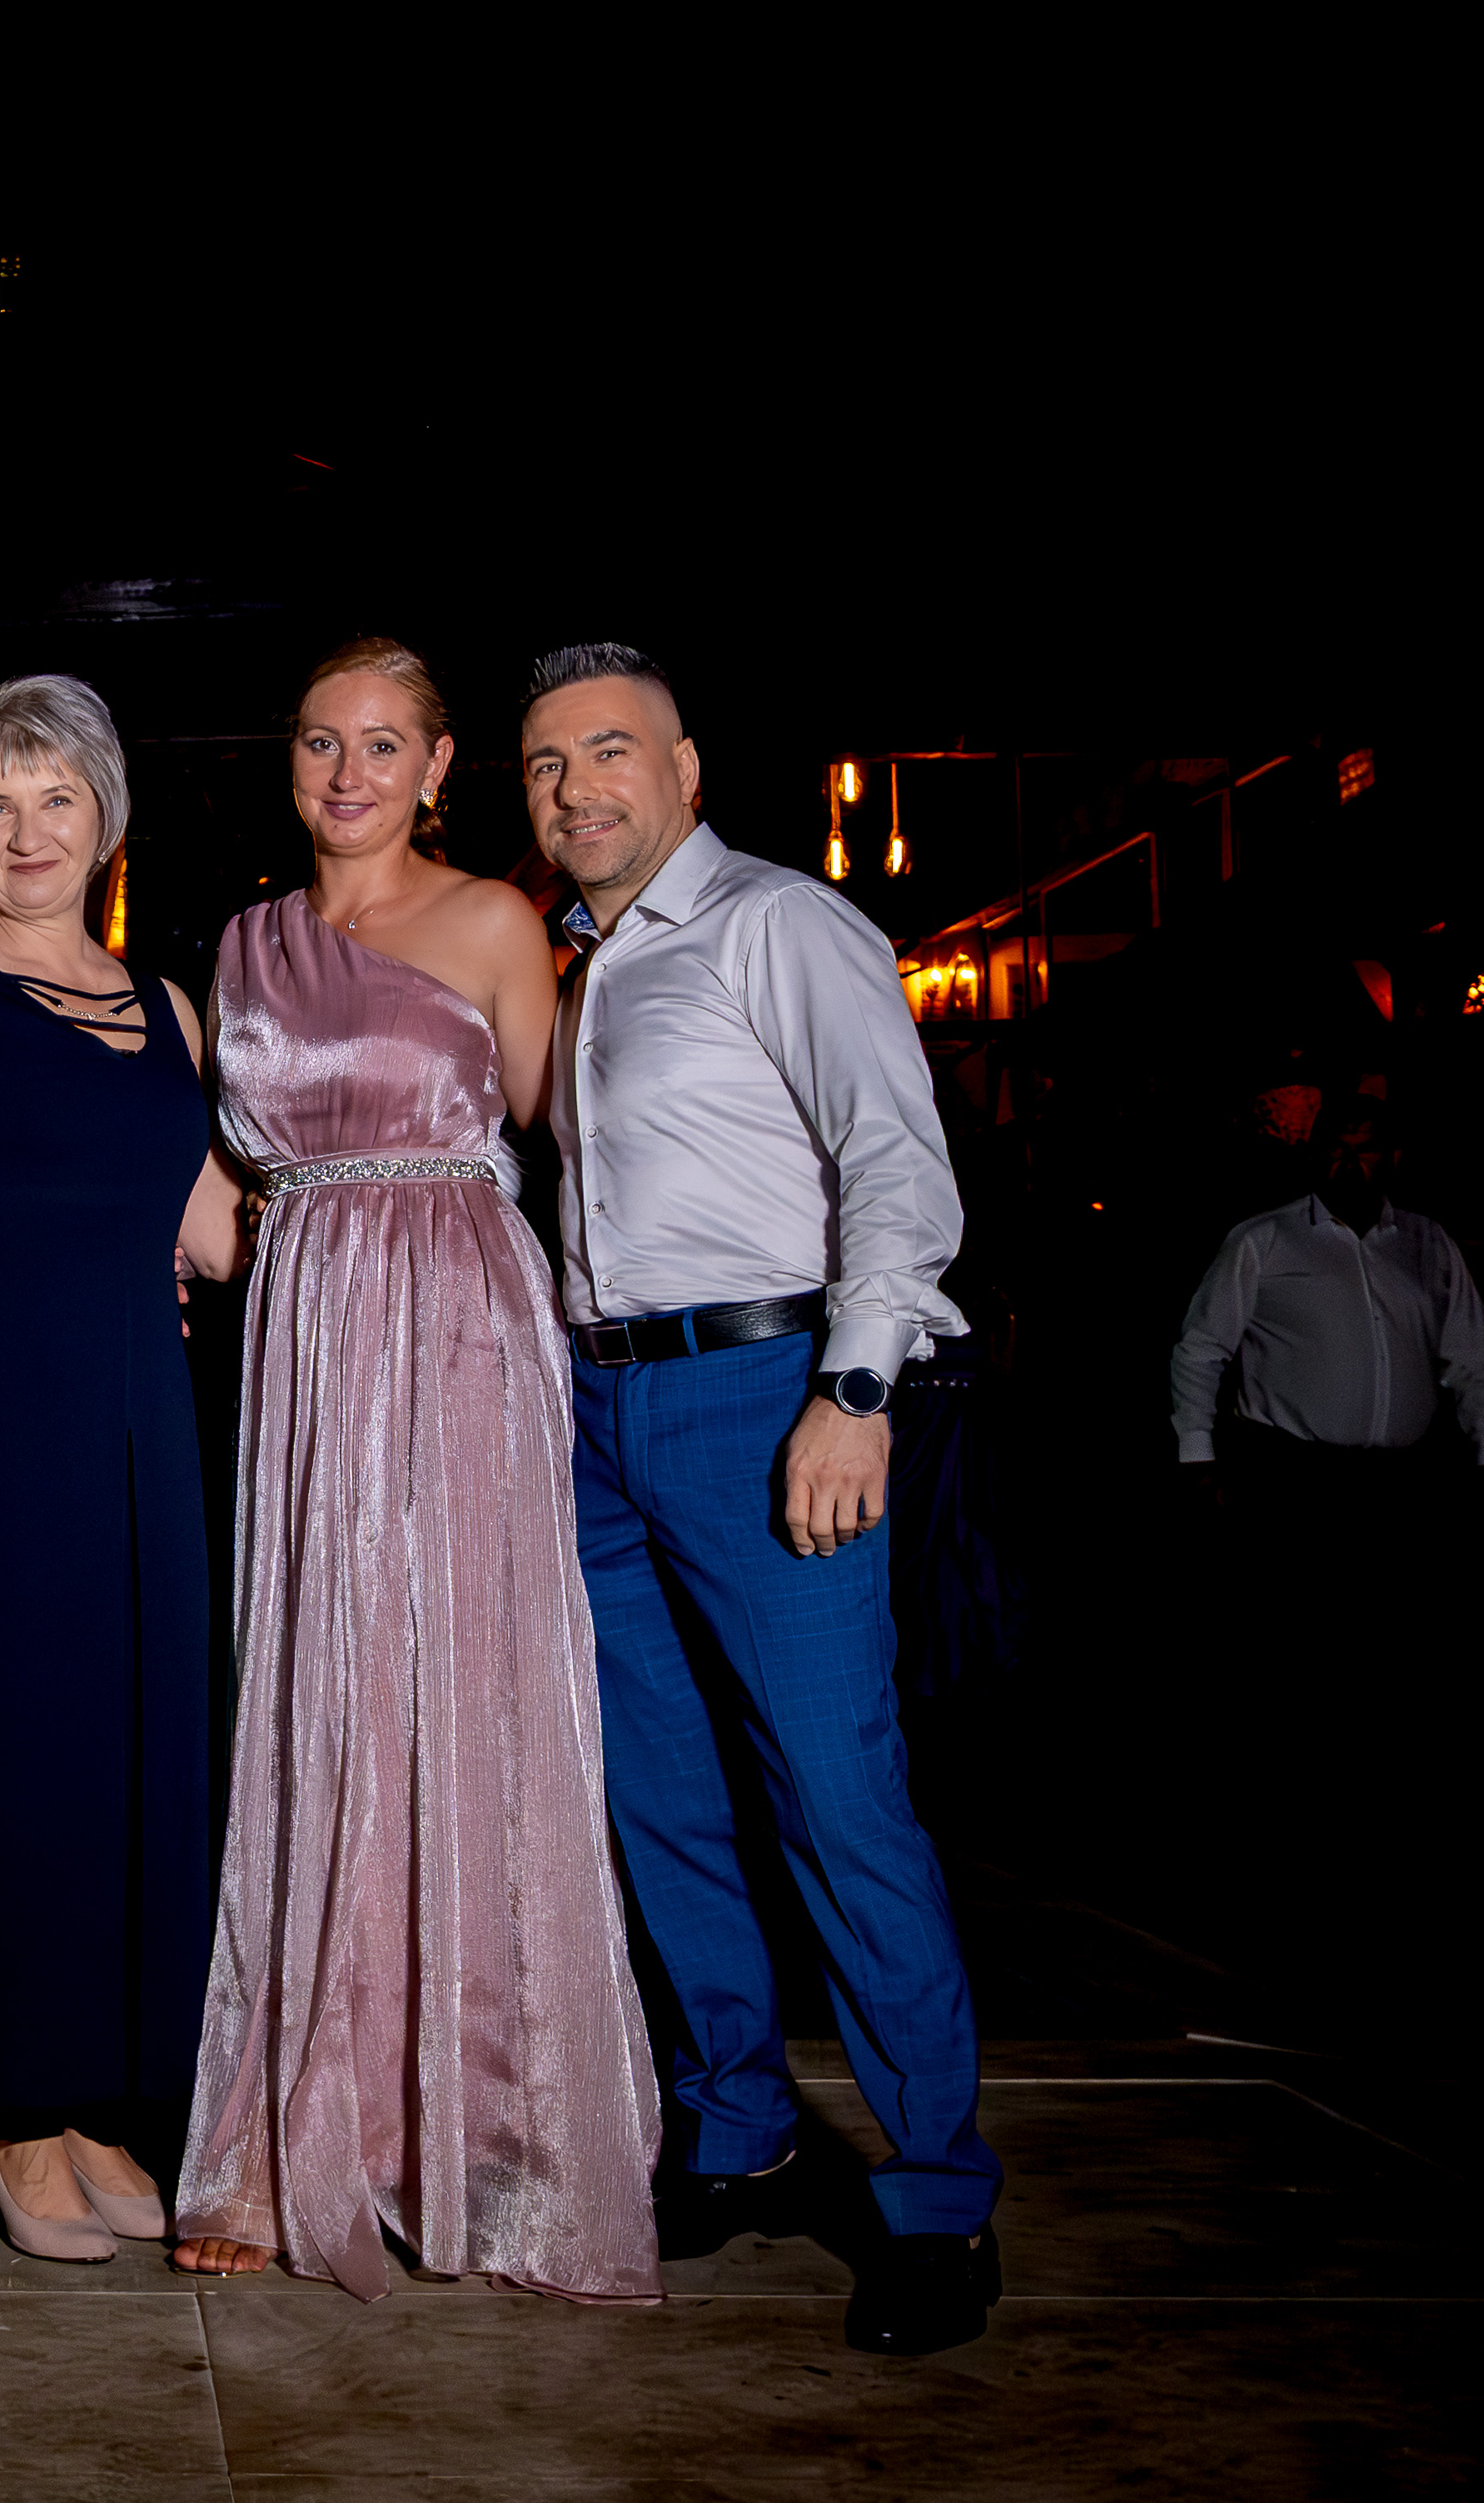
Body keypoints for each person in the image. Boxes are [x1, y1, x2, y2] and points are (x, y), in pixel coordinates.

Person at [518, 641, 1003, 2358]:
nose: (576, 787)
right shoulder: (582, 966)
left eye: (609, 751)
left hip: (766, 1390)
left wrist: (851, 1391)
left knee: (837, 1797)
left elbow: (896, 1163)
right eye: (545, 764)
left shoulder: (778, 922)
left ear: (685, 768)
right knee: (658, 1798)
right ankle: (735, 2124)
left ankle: (936, 2192)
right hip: (594, 1404)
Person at [172, 638, 673, 2301]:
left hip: (460, 1317)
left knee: (464, 1686)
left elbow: (566, 1135)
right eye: (321, 741)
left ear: (438, 765)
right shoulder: (244, 943)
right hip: (303, 1327)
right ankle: (291, 2123)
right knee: (318, 1696)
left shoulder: (494, 924)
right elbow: (199, 1165)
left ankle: (493, 2133)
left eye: (382, 744)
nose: (346, 772)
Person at [0, 676, 241, 2264]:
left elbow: (214, 1228)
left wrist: (406, 1173)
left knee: (116, 1763)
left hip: (139, 1442)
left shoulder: (168, 1004)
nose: (28, 832)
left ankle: (84, 2094)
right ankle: (3, 2110)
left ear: (105, 818)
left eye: (55, 797)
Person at [1168, 1099, 1484, 1567]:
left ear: (1392, 1158)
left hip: (1405, 1483)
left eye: (1364, 1149)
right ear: (1313, 1156)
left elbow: (1473, 1354)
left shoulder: (1427, 1241)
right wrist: (1197, 1453)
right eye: (1335, 1149)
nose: (1348, 1162)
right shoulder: (1263, 1239)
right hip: (1290, 1478)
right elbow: (1202, 1349)